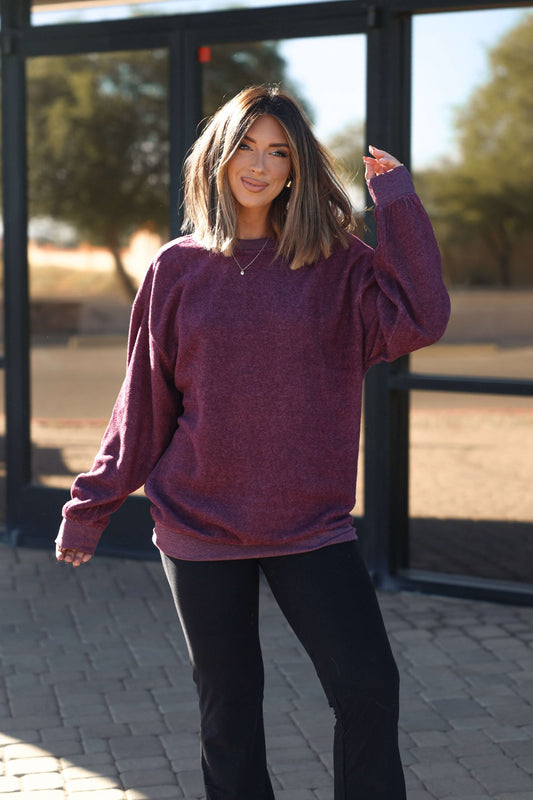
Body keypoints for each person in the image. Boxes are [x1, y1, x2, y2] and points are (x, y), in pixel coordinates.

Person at [56, 85, 450, 799]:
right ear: (218, 154)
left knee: (366, 688)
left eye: (277, 151)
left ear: (296, 166)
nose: (259, 165)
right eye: (245, 146)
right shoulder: (176, 268)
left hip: (310, 527)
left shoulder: (338, 265)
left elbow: (422, 315)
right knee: (229, 715)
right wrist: (92, 503)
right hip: (199, 525)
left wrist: (395, 204)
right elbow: (142, 400)